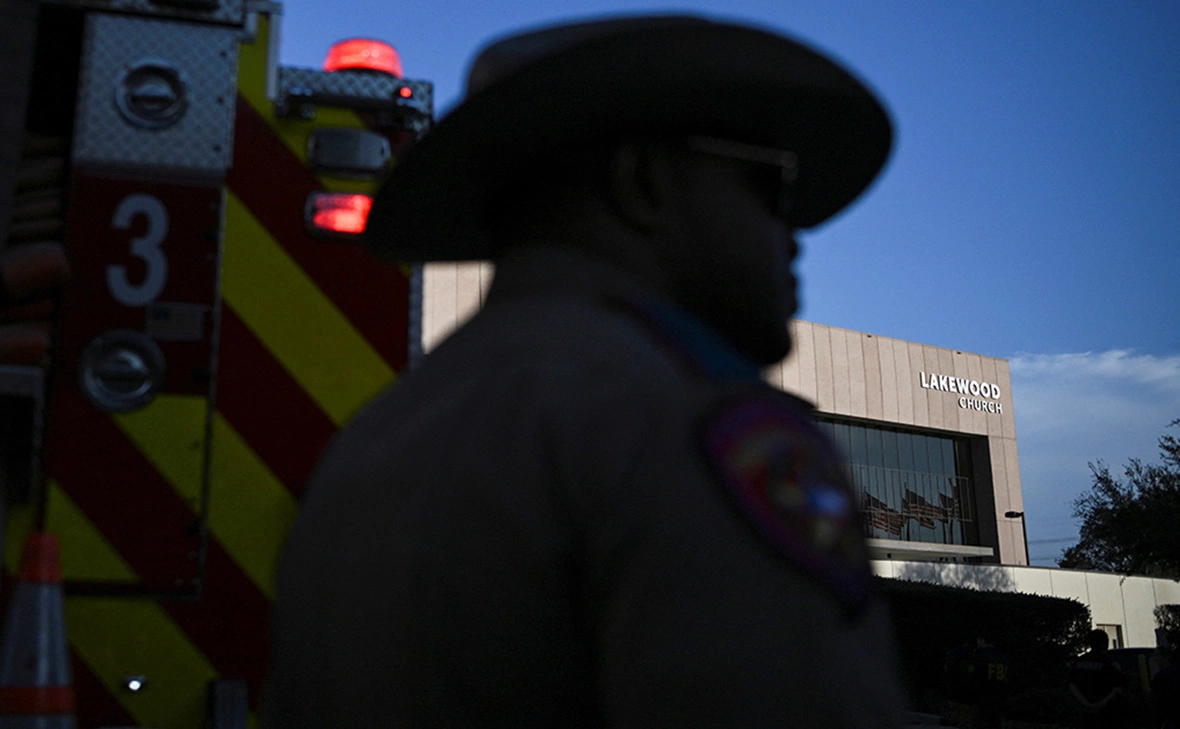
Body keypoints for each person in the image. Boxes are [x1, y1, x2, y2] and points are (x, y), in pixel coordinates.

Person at [263, 15, 905, 728]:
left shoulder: (367, 446)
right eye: (769, 186)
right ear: (643, 183)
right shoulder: (686, 427)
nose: (794, 234)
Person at [1069, 629, 1128, 729]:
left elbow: (1072, 684)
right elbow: (1117, 687)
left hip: (1084, 713)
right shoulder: (1109, 662)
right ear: (1105, 643)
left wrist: (1086, 704)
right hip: (1106, 713)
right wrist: (1100, 704)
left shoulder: (1079, 661)